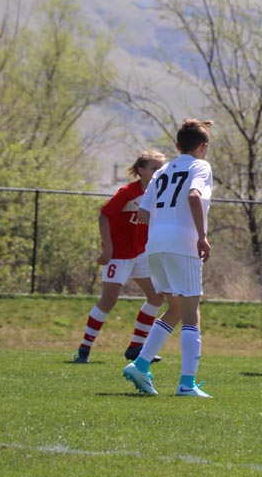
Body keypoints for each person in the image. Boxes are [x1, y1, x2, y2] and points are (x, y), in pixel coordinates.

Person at [123, 118, 215, 398]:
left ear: (177, 146)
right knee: (191, 314)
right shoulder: (200, 166)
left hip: (156, 244)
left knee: (174, 308)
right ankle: (187, 384)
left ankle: (140, 365)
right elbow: (194, 196)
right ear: (203, 146)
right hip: (182, 244)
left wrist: (163, 226)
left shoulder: (162, 171)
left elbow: (143, 212)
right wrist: (202, 236)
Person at [73, 150, 167, 363]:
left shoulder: (159, 193)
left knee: (156, 297)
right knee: (109, 300)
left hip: (142, 253)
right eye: (154, 169)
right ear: (141, 170)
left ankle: (136, 347)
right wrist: (107, 248)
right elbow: (104, 216)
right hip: (120, 254)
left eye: (161, 169)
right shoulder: (127, 192)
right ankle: (84, 348)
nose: (159, 173)